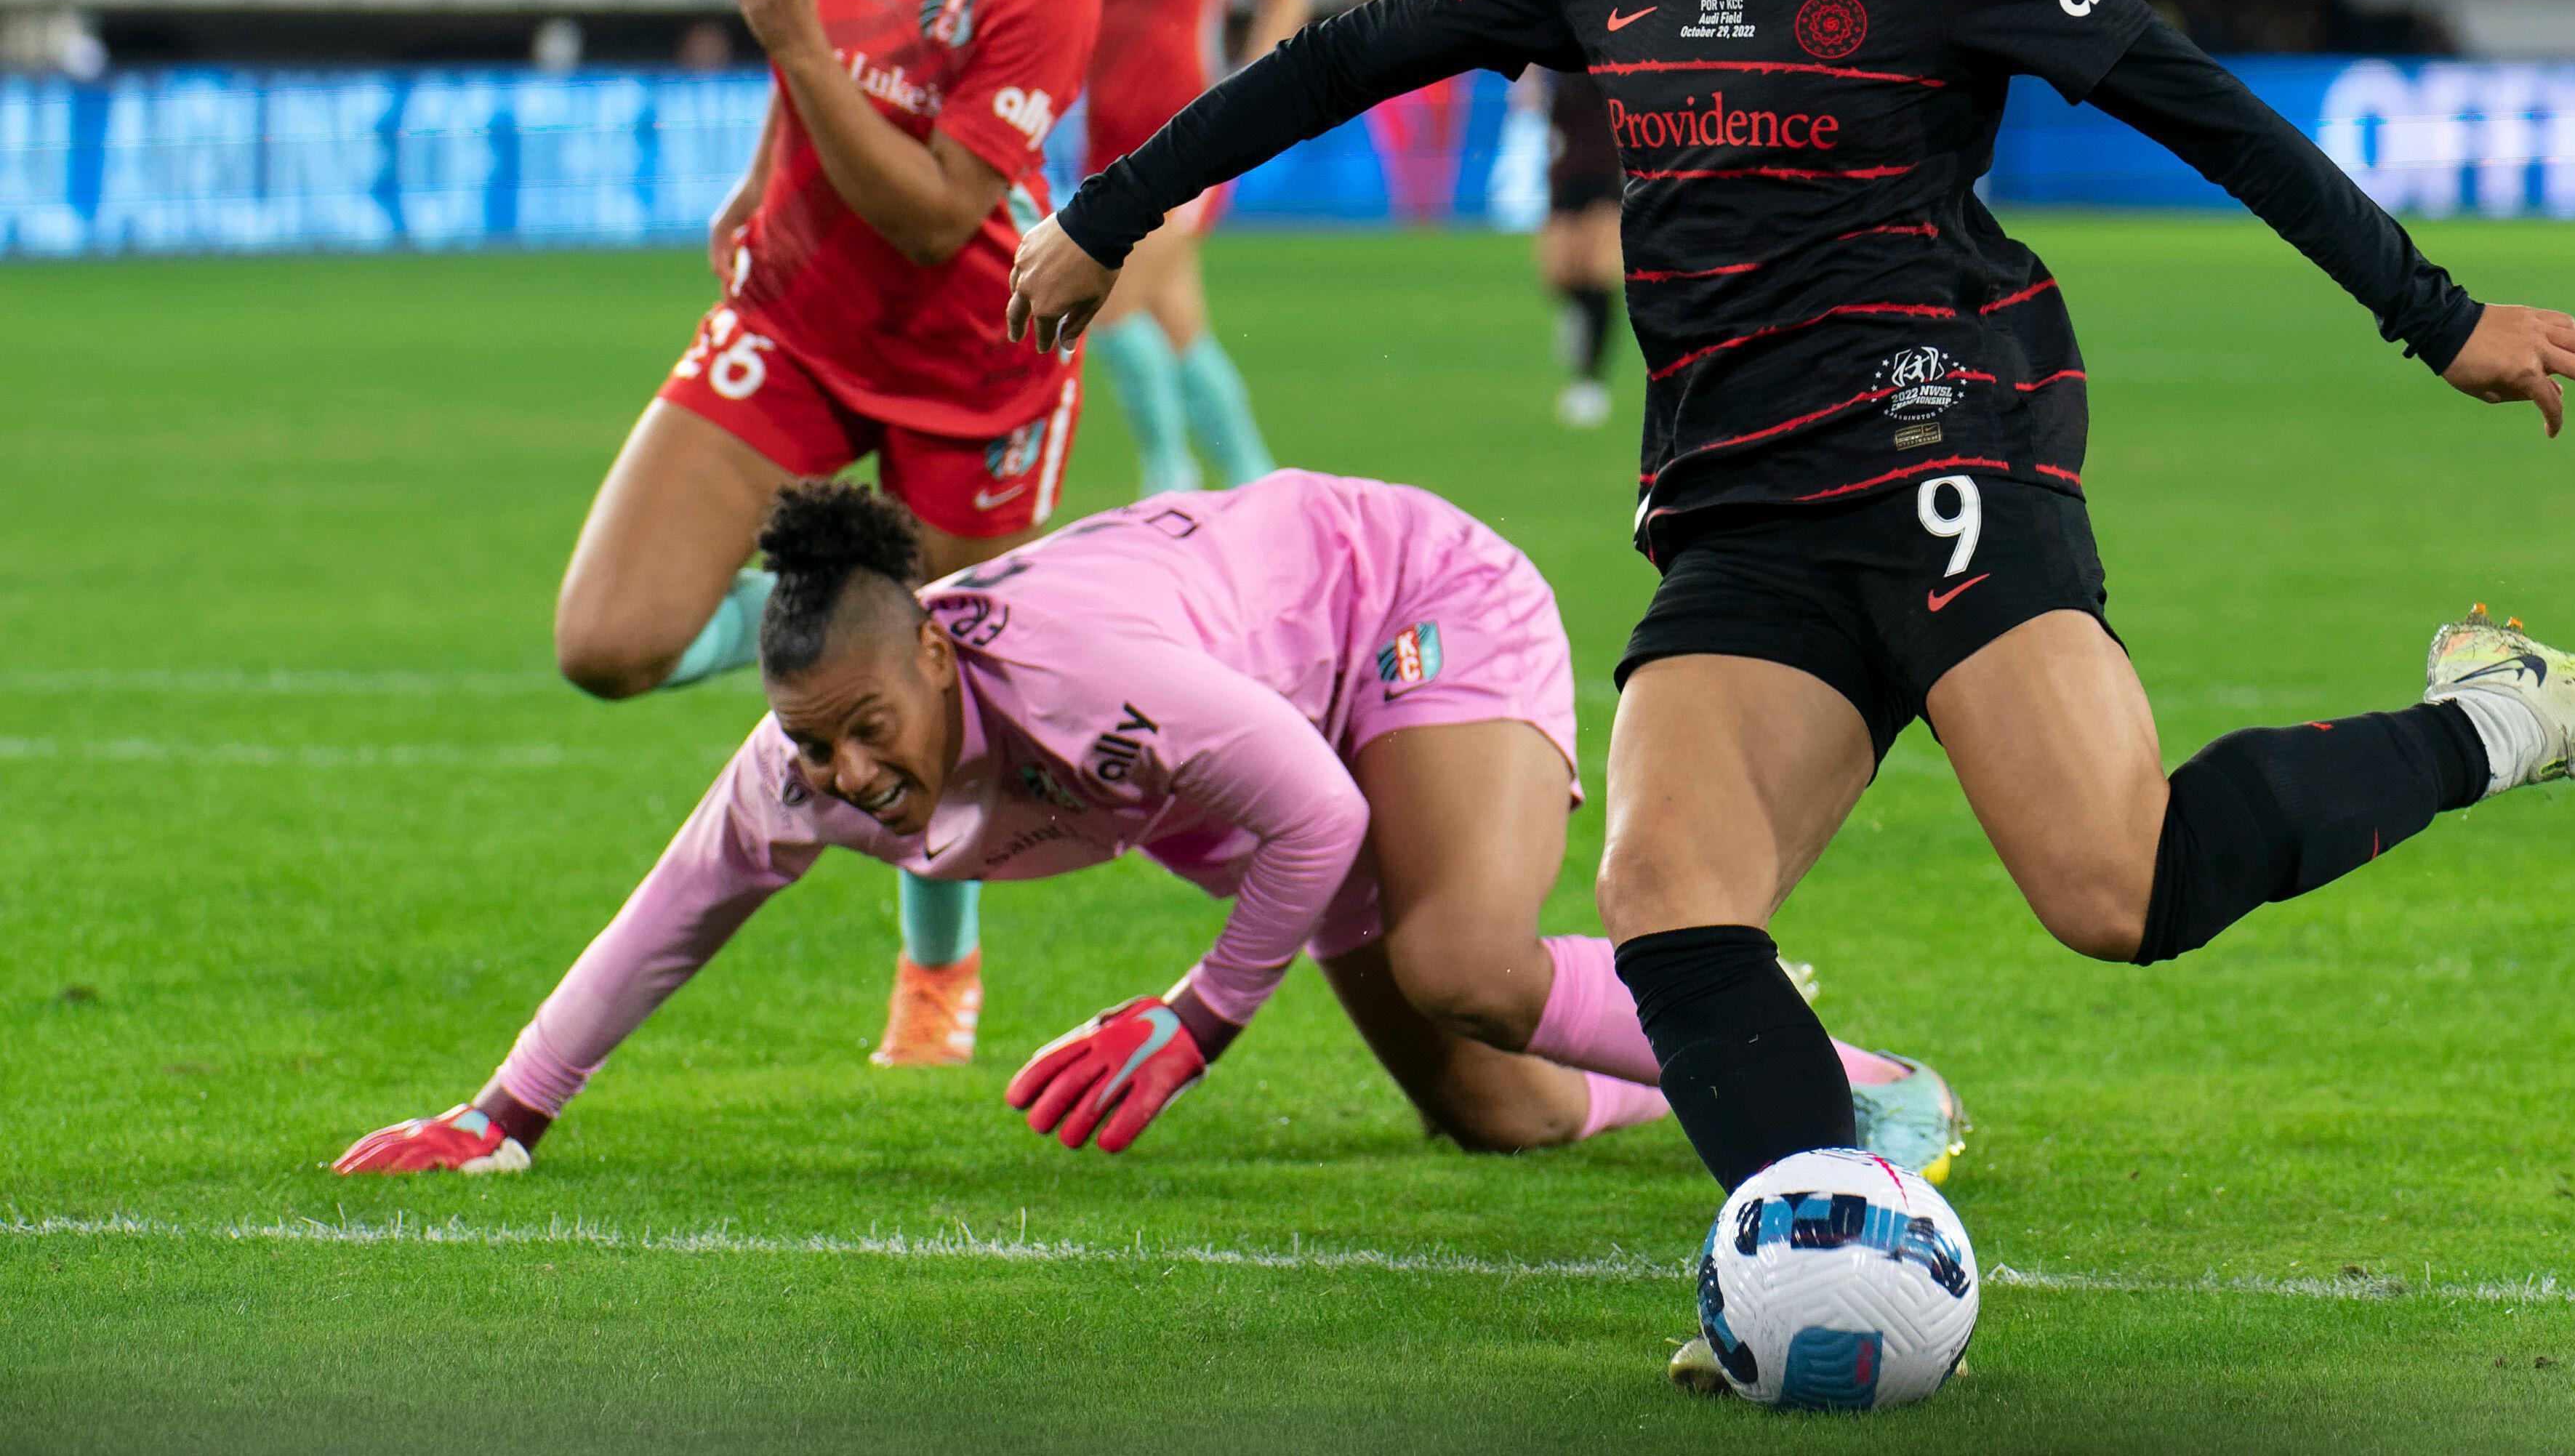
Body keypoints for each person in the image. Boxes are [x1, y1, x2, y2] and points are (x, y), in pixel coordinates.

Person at [1009, 0, 2575, 1265]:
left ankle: (2511, 714)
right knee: (1670, 904)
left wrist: (2433, 316)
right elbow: (1337, 57)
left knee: (2112, 890)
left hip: (1944, 438)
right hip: (1735, 502)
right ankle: (1811, 1248)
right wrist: (1107, 210)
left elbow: (2198, 104)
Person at [334, 475, 1964, 1177]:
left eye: (860, 736)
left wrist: (1197, 1020)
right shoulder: (810, 752)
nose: (842, 779)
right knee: (1502, 1114)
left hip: (1408, 608)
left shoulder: (1070, 667)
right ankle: (1721, 1024)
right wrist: (507, 1114)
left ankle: (1858, 1094)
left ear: (937, 648)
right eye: (810, 752)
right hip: (1267, 737)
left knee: (1464, 954)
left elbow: (1317, 813)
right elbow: (669, 913)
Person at [548, 0, 1101, 1069]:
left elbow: (933, 210)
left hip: (972, 358)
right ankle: (818, 611)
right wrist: (753, 173)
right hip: (795, 316)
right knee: (605, 641)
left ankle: (939, 975)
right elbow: (812, 65)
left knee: (938, 704)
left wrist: (795, 48)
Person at [1047, 0, 1312, 496]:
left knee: (1100, 302)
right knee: (1175, 322)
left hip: (1197, 149)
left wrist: (1256, 80)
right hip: (1102, 154)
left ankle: (1169, 476)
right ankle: (1255, 479)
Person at [1527, 65, 1626, 427]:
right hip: (1566, 174)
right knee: (1558, 275)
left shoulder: (1617, 63)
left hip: (1606, 174)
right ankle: (1578, 319)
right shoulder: (1556, 68)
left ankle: (1591, 383)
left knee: (1600, 275)